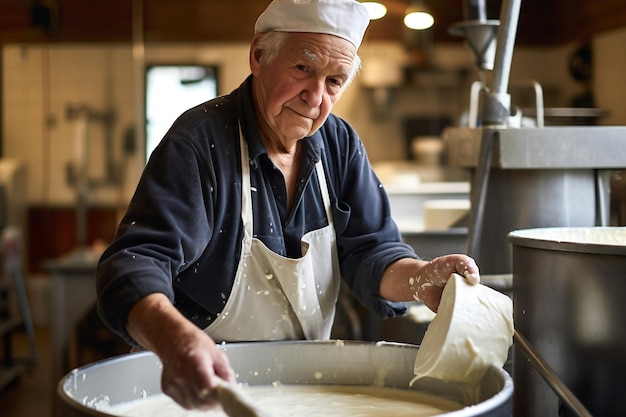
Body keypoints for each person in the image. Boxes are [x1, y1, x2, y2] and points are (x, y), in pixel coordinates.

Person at [96, 0, 480, 411]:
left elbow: (372, 252)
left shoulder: (339, 144)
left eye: (334, 81)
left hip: (306, 392)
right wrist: (176, 342)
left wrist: (421, 277)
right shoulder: (199, 143)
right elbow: (134, 264)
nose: (316, 97)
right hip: (200, 391)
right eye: (303, 69)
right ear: (258, 55)